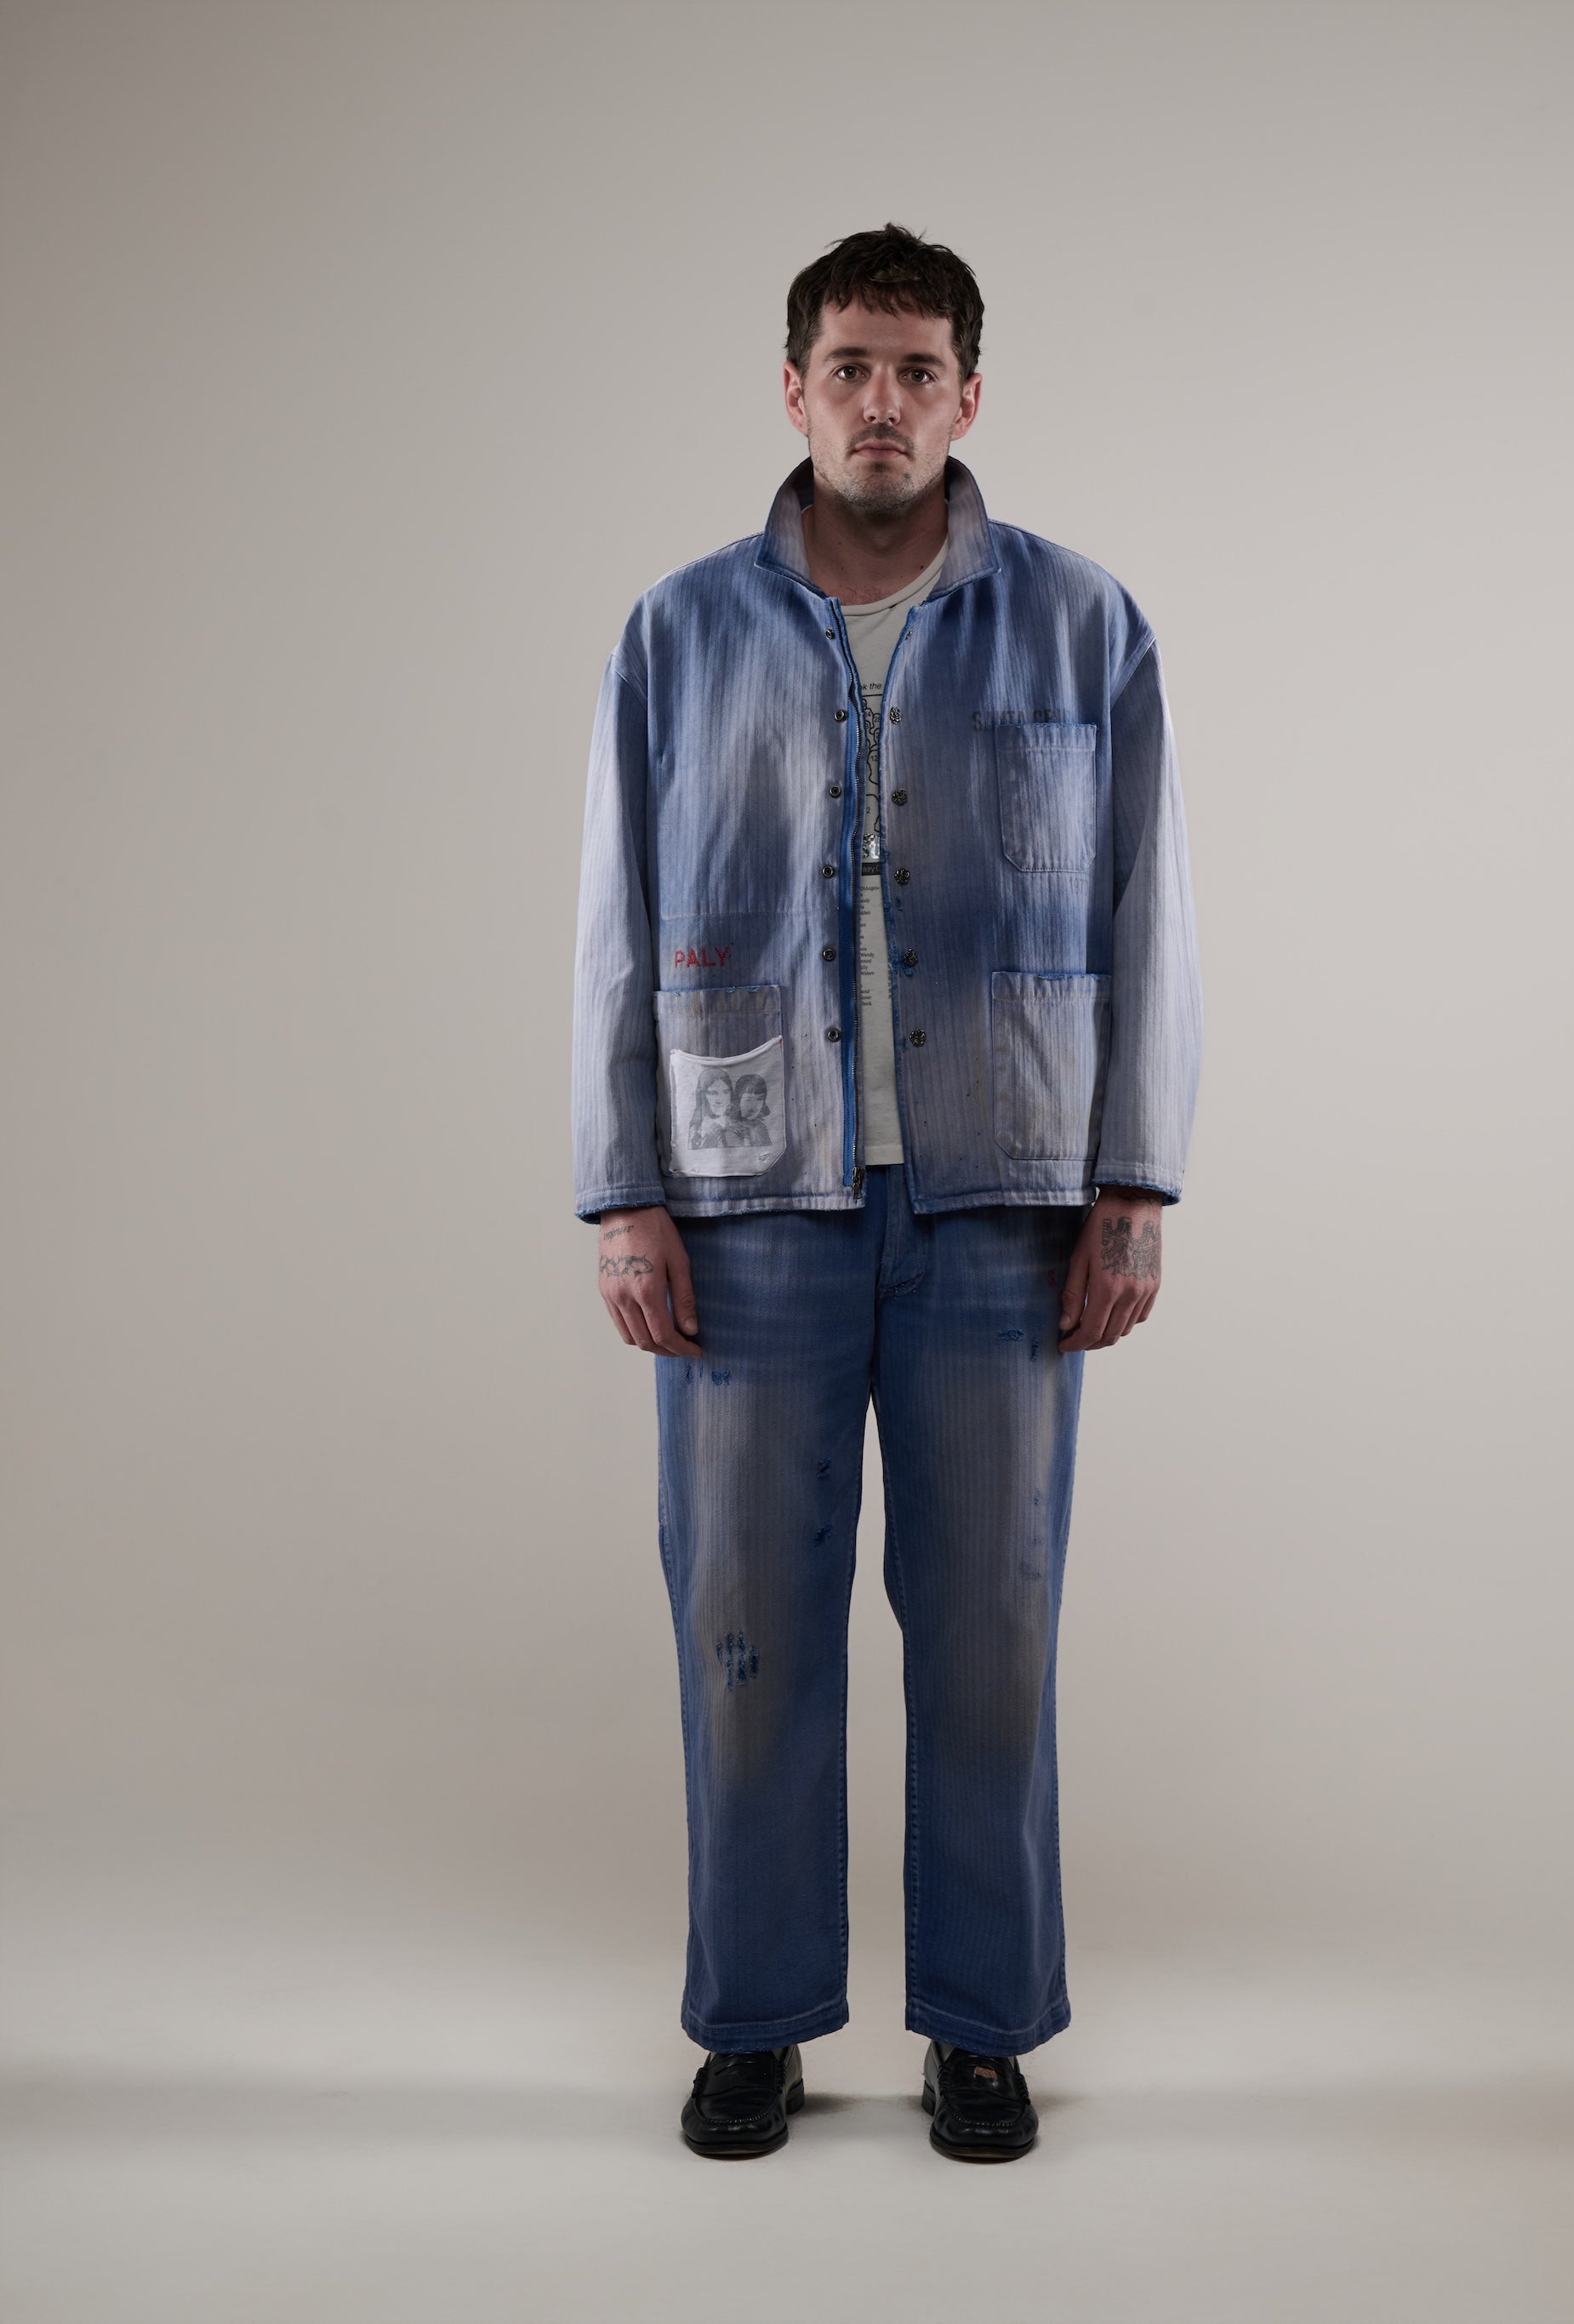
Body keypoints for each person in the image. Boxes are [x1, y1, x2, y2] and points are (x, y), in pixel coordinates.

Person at [572, 223, 1202, 2161]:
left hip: (1004, 1200)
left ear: (967, 397)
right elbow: (615, 920)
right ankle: (755, 2019)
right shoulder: (678, 632)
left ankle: (982, 2025)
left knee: (993, 1624)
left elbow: (1147, 908)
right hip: (744, 1198)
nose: (881, 401)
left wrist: (1134, 1180)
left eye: (918, 370)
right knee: (744, 1627)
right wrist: (622, 1190)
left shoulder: (1082, 625)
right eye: (848, 366)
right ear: (793, 390)